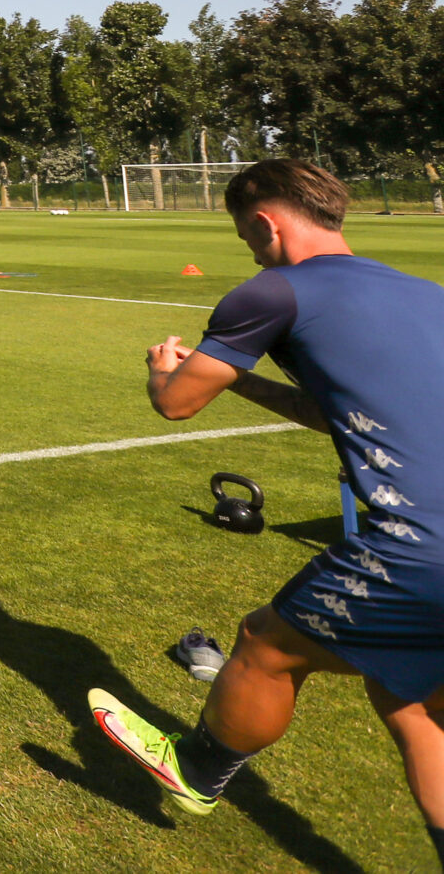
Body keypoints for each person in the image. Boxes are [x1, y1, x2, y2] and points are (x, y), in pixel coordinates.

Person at [91, 160, 444, 862]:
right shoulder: (423, 292)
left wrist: (164, 368)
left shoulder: (271, 290)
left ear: (264, 222)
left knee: (265, 644)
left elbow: (177, 402)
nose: (249, 250)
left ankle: (198, 770)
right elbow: (330, 410)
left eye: (245, 236)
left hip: (419, 543)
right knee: (415, 705)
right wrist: (245, 383)